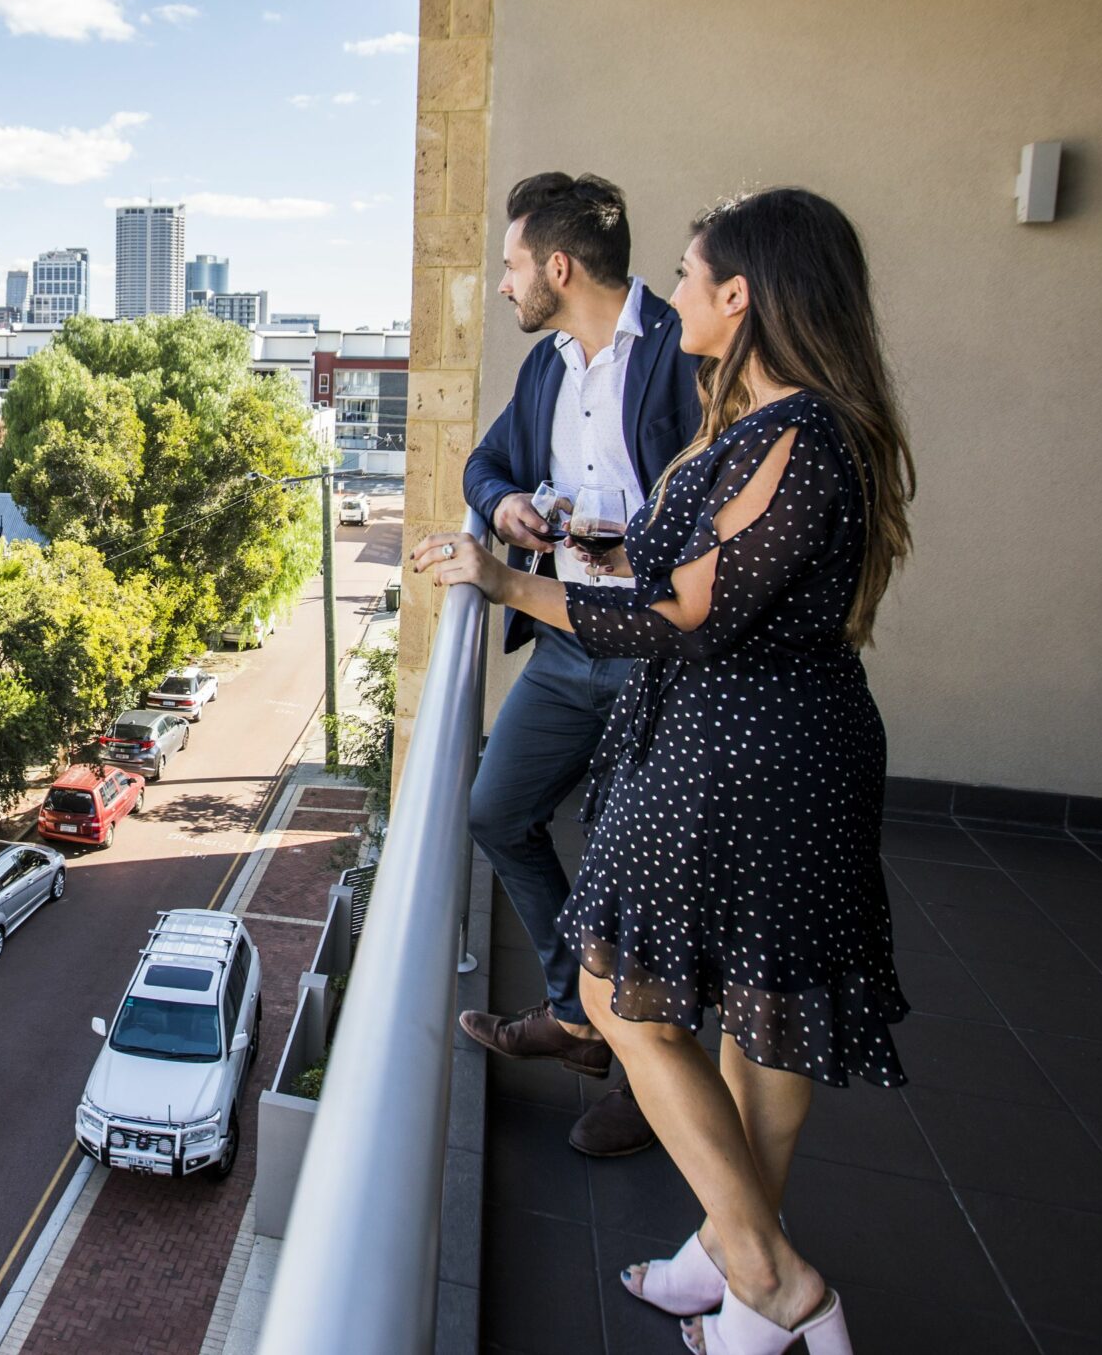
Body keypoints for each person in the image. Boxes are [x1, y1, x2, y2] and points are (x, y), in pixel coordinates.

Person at [414, 187, 914, 1355]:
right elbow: (658, 550)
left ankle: (772, 1278)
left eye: (691, 276)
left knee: (628, 995)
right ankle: (733, 1264)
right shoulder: (762, 418)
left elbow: (681, 614)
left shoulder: (800, 436)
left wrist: (505, 586)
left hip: (747, 755)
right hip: (734, 743)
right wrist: (537, 532)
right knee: (752, 1014)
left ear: (739, 298)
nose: (673, 292)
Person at [456, 171, 701, 1160]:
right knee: (493, 810)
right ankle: (577, 1016)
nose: (503, 284)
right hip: (563, 643)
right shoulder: (549, 368)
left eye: (511, 265)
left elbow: (719, 516)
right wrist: (509, 508)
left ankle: (651, 1080)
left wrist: (635, 547)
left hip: (656, 658)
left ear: (558, 266)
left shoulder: (684, 354)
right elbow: (482, 467)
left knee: (635, 870)